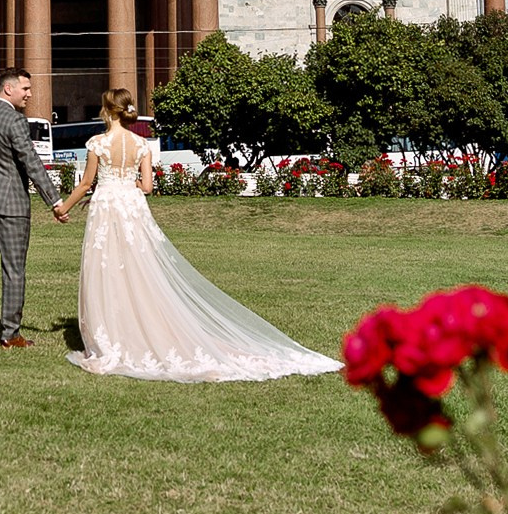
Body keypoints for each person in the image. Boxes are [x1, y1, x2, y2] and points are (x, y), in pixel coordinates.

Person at [53, 88, 339, 382]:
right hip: (132, 206)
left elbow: (86, 183)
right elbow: (147, 187)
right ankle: (139, 325)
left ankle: (114, 332)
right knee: (140, 268)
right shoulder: (141, 144)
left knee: (107, 267)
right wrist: (124, 186)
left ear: (107, 110)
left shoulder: (98, 143)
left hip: (107, 206)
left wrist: (64, 207)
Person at [0, 68, 66, 347]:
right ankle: (10, 334)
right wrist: (55, 200)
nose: (29, 94)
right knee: (14, 270)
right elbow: (30, 161)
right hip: (11, 206)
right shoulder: (15, 120)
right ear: (8, 89)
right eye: (26, 89)